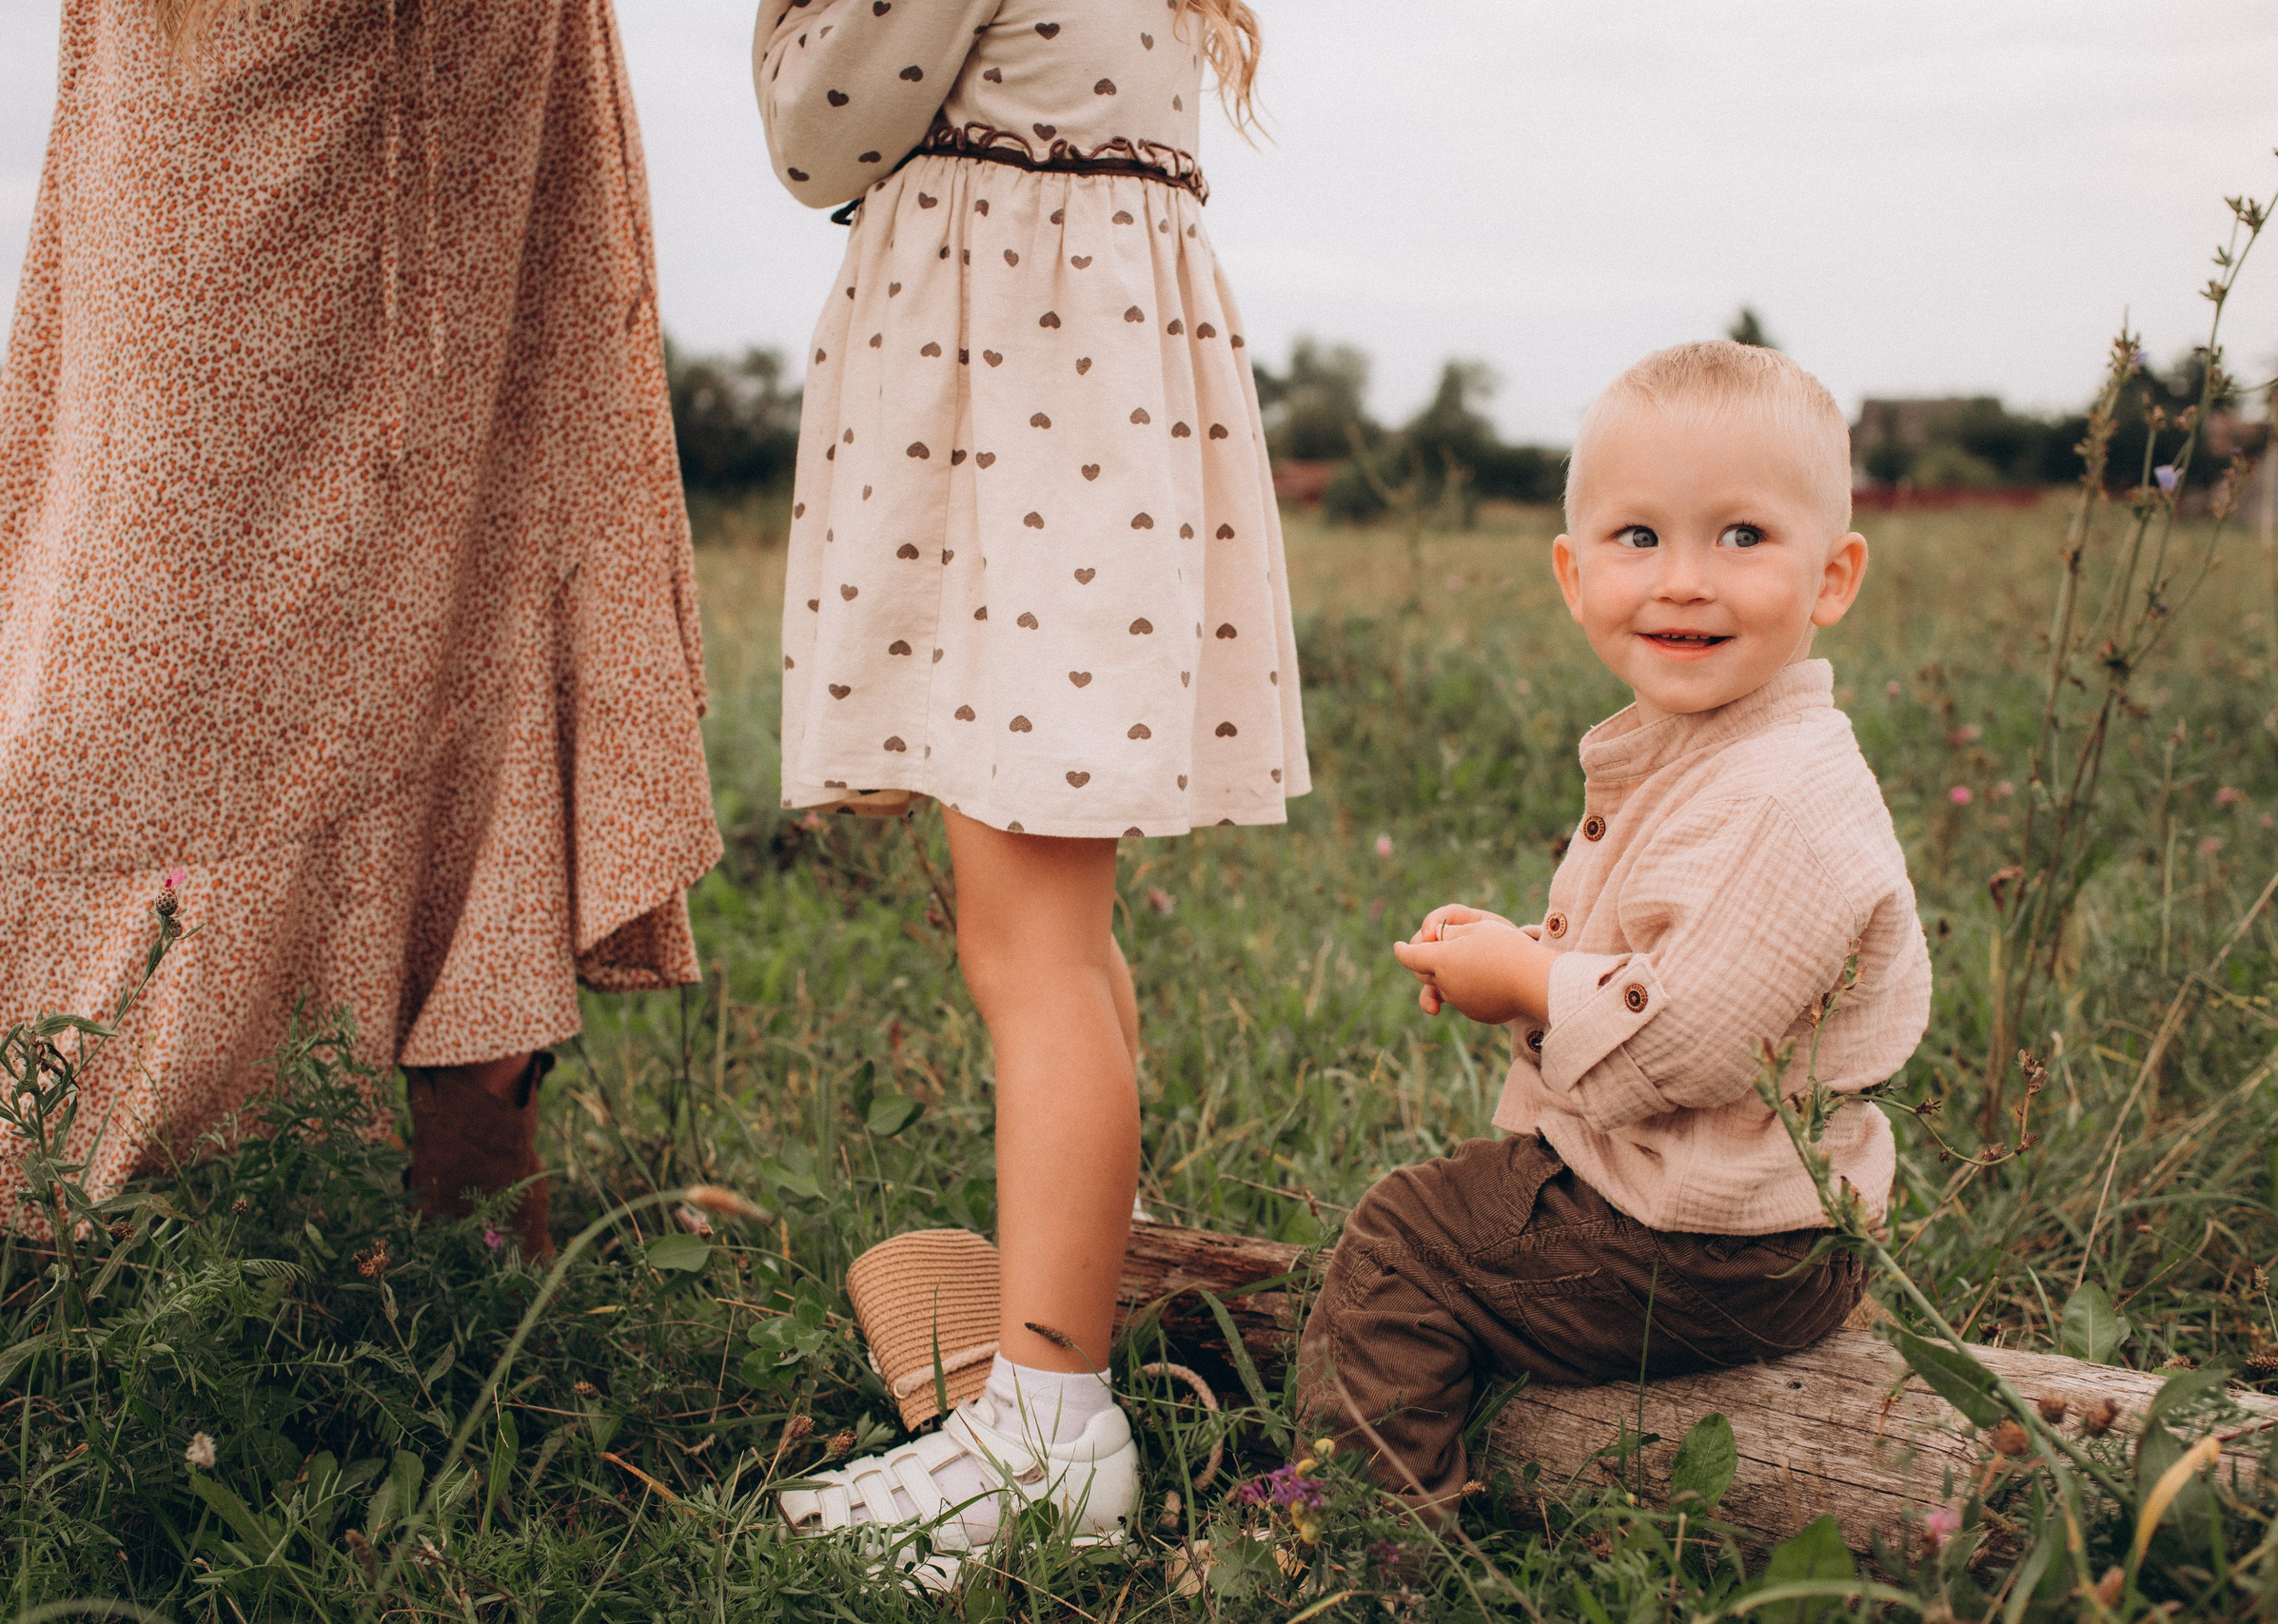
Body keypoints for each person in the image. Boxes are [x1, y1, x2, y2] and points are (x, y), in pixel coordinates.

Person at [0, 0, 719, 1264]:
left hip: (441, 90)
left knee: (460, 582)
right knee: (125, 614)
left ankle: (458, 1157)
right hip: (203, 85)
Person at [753, 0, 1306, 1573]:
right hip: (1069, 416)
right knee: (1057, 931)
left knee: (1031, 954)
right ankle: (1086, 1310)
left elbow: (822, 125)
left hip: (1030, 432)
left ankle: (1053, 1424)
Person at [1298, 340, 1932, 1515]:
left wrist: (1528, 989)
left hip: (1709, 1243)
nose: (1683, 579)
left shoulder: (1775, 796)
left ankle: (1363, 1539)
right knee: (1469, 1204)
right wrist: (1528, 955)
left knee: (1401, 1241)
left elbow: (1687, 1045)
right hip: (1742, 1221)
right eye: (1638, 537)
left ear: (1832, 577)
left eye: (1741, 537)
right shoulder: (1720, 754)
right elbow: (1674, 967)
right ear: (1572, 572)